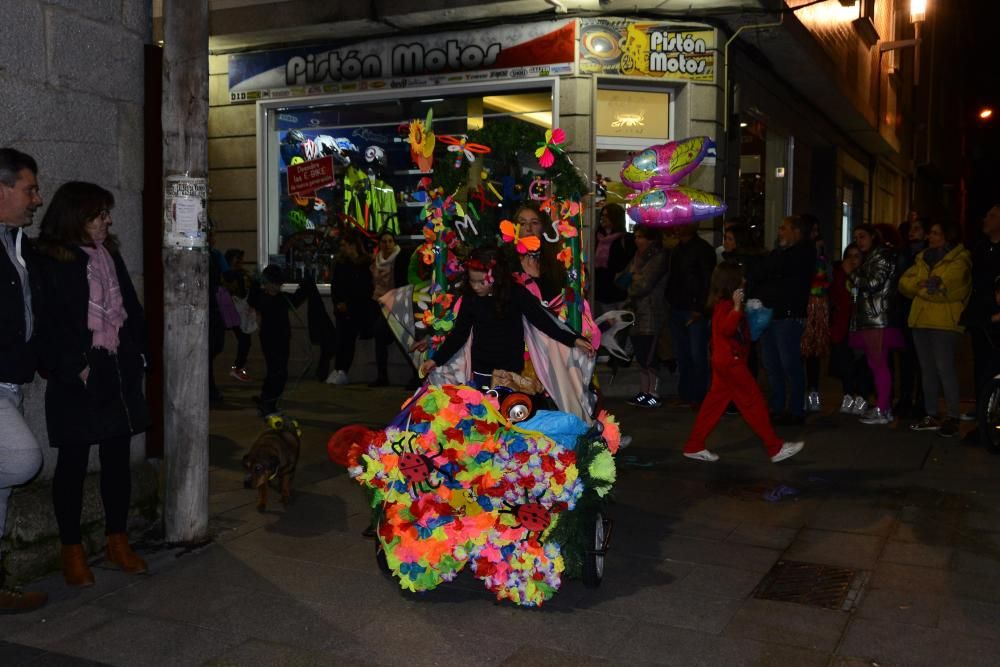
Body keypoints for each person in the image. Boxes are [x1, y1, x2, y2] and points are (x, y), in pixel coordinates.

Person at [35, 181, 151, 587]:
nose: (107, 220)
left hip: (116, 368)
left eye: (106, 213)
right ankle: (72, 550)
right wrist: (75, 367)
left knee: (117, 458)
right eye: (99, 214)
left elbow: (131, 309)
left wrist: (139, 354)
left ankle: (117, 541)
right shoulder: (47, 258)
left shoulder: (109, 255)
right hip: (78, 374)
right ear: (76, 217)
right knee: (72, 462)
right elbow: (45, 323)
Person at [681, 261, 804, 463]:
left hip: (723, 362)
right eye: (741, 278)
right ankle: (775, 447)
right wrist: (738, 308)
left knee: (714, 406)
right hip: (731, 363)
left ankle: (694, 445)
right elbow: (727, 329)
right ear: (732, 282)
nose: (745, 281)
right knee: (754, 404)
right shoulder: (727, 305)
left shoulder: (722, 303)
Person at [418, 247, 594, 385]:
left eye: (481, 282)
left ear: (498, 276)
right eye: (472, 281)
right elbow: (459, 334)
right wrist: (436, 360)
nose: (476, 287)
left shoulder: (516, 294)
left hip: (511, 371)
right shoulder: (470, 299)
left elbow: (543, 322)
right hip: (482, 370)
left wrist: (573, 340)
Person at [0, 148, 47, 611]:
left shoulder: (17, 242)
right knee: (20, 460)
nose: (37, 198)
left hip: (11, 380)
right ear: (2, 188)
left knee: (3, 487)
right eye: (29, 189)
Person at [900, 221, 972, 437]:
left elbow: (949, 289)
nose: (930, 237)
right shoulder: (923, 258)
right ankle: (931, 414)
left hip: (943, 323)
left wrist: (921, 288)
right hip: (921, 320)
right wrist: (924, 286)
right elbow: (904, 283)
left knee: (945, 369)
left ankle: (953, 416)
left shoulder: (960, 260)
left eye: (935, 233)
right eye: (930, 233)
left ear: (947, 237)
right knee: (927, 370)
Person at [757, 215, 816, 424]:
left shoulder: (803, 252)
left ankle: (796, 409)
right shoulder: (779, 253)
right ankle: (777, 406)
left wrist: (773, 266)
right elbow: (763, 271)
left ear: (796, 232)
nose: (779, 232)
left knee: (789, 363)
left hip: (788, 315)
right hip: (771, 313)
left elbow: (778, 268)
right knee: (772, 364)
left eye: (784, 228)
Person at [850, 224, 903, 425]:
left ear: (873, 236)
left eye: (862, 236)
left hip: (877, 317)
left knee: (879, 363)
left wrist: (852, 272)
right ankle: (883, 406)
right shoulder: (874, 256)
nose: (858, 241)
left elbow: (873, 283)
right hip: (871, 317)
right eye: (856, 237)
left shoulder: (881, 256)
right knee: (875, 363)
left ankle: (883, 408)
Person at [664, 223, 716, 408]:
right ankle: (685, 394)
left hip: (694, 308)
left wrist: (699, 307)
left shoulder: (702, 250)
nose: (677, 227)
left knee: (697, 353)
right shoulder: (677, 250)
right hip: (678, 305)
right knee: (682, 353)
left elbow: (707, 280)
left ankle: (700, 396)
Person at [247, 265, 309, 417]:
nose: (276, 287)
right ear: (266, 283)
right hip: (269, 339)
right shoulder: (261, 297)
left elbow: (298, 297)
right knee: (277, 372)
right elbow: (252, 297)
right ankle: (268, 404)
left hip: (282, 339)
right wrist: (256, 281)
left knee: (277, 371)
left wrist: (306, 282)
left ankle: (267, 401)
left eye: (278, 284)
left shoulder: (283, 298)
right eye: (273, 284)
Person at [962, 205, 1000, 434]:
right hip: (981, 316)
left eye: (993, 216)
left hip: (997, 314)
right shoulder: (980, 248)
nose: (986, 219)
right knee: (981, 363)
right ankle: (982, 408)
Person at [623, 226, 668, 407]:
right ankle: (643, 391)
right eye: (636, 236)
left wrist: (634, 279)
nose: (637, 240)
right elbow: (624, 277)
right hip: (636, 311)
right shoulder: (637, 257)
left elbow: (645, 283)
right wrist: (632, 278)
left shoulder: (659, 256)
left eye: (641, 237)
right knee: (641, 354)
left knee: (650, 354)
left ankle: (653, 393)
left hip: (651, 310)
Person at [829, 244, 874, 414]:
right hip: (843, 324)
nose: (853, 260)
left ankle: (862, 395)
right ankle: (848, 394)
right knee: (845, 361)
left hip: (861, 324)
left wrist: (851, 274)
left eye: (857, 256)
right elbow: (835, 295)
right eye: (850, 256)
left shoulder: (865, 275)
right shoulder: (840, 274)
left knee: (862, 363)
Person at [326, 231, 373, 385]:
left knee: (348, 340)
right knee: (341, 339)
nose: (342, 248)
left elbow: (364, 288)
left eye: (345, 245)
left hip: (356, 308)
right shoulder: (341, 264)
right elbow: (336, 285)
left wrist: (350, 304)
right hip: (342, 307)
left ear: (353, 246)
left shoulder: (363, 264)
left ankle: (343, 370)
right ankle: (338, 368)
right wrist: (338, 302)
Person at [894, 218, 930, 417]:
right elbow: (901, 281)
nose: (912, 232)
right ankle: (905, 396)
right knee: (906, 357)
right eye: (911, 228)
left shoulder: (927, 254)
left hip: (921, 310)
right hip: (905, 311)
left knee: (922, 359)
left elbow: (916, 283)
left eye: (917, 229)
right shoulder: (904, 252)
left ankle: (922, 399)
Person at [369, 231, 407, 386]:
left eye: (390, 241)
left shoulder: (400, 259)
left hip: (394, 303)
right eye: (384, 241)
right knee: (381, 338)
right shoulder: (376, 261)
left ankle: (415, 375)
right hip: (378, 302)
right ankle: (382, 376)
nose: (387, 244)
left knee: (400, 339)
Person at [801, 216, 831, 413]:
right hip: (800, 305)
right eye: (812, 230)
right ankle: (801, 392)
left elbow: (824, 279)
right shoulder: (799, 252)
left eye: (816, 230)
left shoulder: (819, 255)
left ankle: (812, 392)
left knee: (813, 350)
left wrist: (819, 254)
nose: (815, 235)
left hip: (815, 305)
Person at [593, 203, 635, 315]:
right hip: (600, 288)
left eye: (607, 215)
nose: (603, 218)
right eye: (602, 215)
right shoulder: (596, 237)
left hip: (619, 288)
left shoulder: (626, 238)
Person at [223, 248, 253, 383]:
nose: (240, 261)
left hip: (238, 310)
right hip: (231, 310)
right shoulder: (228, 274)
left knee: (245, 339)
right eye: (237, 258)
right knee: (244, 339)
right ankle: (237, 368)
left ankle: (238, 368)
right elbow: (237, 291)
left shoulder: (241, 273)